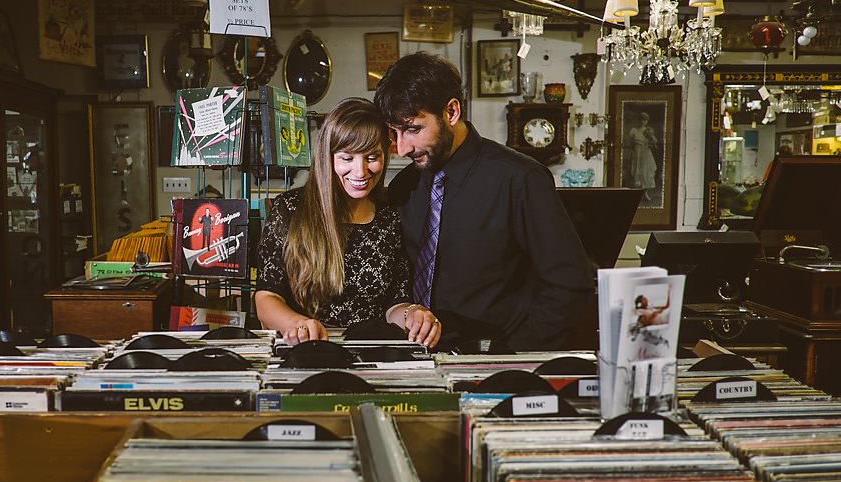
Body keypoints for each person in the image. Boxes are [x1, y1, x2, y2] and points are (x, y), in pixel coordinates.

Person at [374, 52, 592, 351]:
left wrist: (512, 354)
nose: (402, 148)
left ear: (451, 112)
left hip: (496, 360)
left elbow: (569, 286)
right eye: (394, 133)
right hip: (415, 359)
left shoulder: (521, 179)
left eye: (413, 129)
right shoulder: (404, 186)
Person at [255, 97, 441, 347]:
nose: (360, 171)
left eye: (371, 157)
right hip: (307, 349)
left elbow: (394, 305)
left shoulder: (390, 215)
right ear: (328, 157)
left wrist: (412, 315)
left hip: (373, 351)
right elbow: (266, 297)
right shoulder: (289, 209)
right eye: (347, 158)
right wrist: (295, 324)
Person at [626, 111, 658, 201]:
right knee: (637, 173)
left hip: (645, 154)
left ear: (647, 121)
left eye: (645, 120)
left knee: (646, 173)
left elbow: (654, 141)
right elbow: (631, 144)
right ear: (638, 120)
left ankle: (645, 193)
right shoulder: (634, 131)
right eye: (641, 120)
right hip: (637, 154)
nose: (643, 122)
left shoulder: (648, 131)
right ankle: (637, 194)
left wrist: (651, 139)